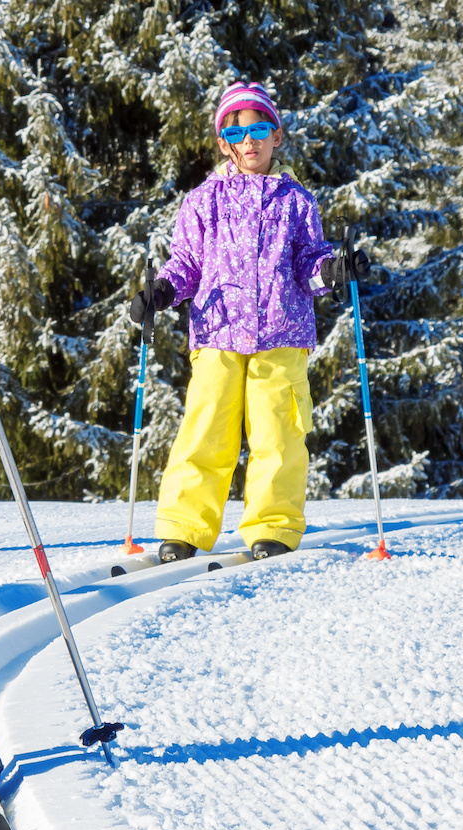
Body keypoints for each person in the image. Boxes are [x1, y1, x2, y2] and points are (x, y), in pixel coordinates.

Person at [125, 80, 367, 563]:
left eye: (260, 129)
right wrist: (163, 291)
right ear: (223, 143)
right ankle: (184, 528)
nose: (249, 141)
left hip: (283, 331)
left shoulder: (296, 201)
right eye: (237, 133)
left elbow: (308, 262)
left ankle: (272, 526)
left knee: (278, 432)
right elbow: (186, 263)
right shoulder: (201, 201)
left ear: (277, 136)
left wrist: (333, 270)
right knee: (205, 428)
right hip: (217, 331)